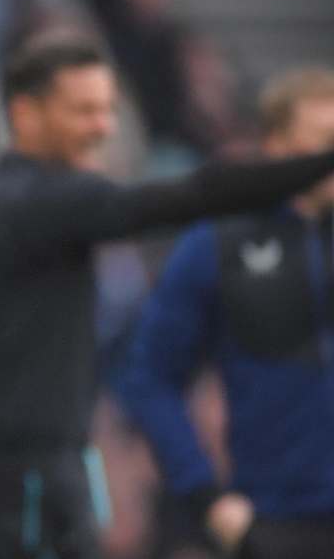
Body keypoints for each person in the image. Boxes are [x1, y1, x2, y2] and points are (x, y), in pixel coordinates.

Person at [0, 42, 334, 559]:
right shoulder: (33, 204)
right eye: (83, 111)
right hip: (21, 484)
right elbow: (187, 197)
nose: (103, 128)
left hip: (33, 474)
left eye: (107, 110)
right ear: (24, 114)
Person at [114, 68, 334, 559]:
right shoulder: (220, 242)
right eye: (325, 145)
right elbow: (148, 375)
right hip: (279, 521)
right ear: (278, 146)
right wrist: (205, 497)